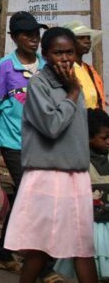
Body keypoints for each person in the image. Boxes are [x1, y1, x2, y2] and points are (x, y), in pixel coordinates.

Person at [4, 27, 98, 283]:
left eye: (69, 52)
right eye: (58, 53)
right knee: (40, 249)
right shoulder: (38, 84)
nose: (65, 58)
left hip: (76, 175)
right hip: (48, 175)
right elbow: (51, 126)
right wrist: (72, 94)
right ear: (45, 55)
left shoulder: (75, 80)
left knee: (82, 247)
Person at [0, 11, 52, 276]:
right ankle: (42, 267)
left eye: (36, 35)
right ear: (14, 38)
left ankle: (2, 251)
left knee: (25, 199)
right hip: (14, 144)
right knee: (33, 199)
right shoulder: (5, 67)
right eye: (28, 35)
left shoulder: (45, 65)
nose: (34, 40)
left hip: (43, 145)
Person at [54, 108, 109, 280]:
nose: (108, 141)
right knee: (89, 261)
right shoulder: (80, 162)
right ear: (88, 137)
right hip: (89, 226)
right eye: (104, 138)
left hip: (107, 226)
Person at [64, 20, 105, 109]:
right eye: (81, 38)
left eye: (88, 38)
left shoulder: (89, 69)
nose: (87, 41)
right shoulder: (64, 69)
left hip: (94, 120)